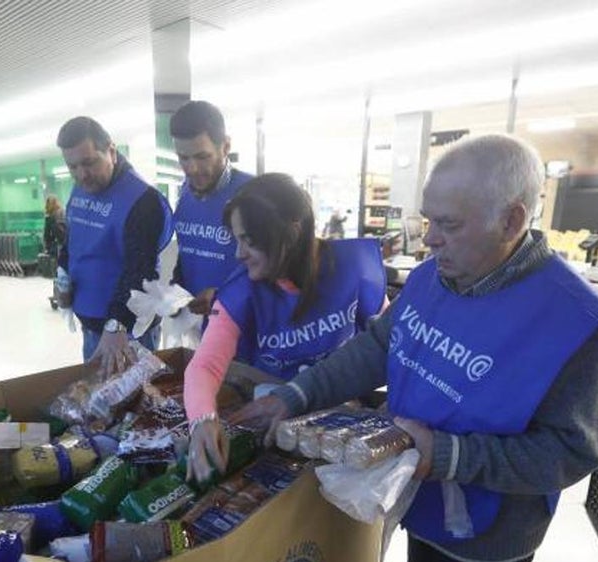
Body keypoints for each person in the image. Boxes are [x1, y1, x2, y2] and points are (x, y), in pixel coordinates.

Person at [229, 135, 598, 562]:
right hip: (418, 486)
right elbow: (375, 348)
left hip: (491, 521)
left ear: (512, 220)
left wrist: (449, 455)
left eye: (447, 225)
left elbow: (571, 453)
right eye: (428, 222)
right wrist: (297, 392)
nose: (429, 241)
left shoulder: (574, 326)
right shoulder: (436, 276)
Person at [184, 173, 387, 483]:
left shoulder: (353, 268)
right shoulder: (240, 293)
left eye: (248, 241)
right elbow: (204, 366)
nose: (238, 254)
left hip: (346, 429)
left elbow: (388, 342)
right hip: (276, 426)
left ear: (291, 234)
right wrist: (202, 419)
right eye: (236, 240)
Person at [56, 116, 172, 373]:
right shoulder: (80, 190)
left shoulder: (142, 199)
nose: (82, 175)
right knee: (98, 404)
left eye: (89, 163)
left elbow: (140, 270)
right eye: (72, 167)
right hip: (92, 325)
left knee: (136, 405)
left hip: (126, 334)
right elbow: (71, 243)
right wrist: (61, 277)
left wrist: (116, 324)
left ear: (111, 150)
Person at [168, 100, 253, 316]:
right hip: (197, 328)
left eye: (202, 157)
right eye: (183, 158)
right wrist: (175, 288)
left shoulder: (254, 193)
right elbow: (189, 250)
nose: (192, 169)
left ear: (225, 146)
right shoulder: (185, 193)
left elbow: (280, 272)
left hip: (243, 330)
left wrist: (222, 295)